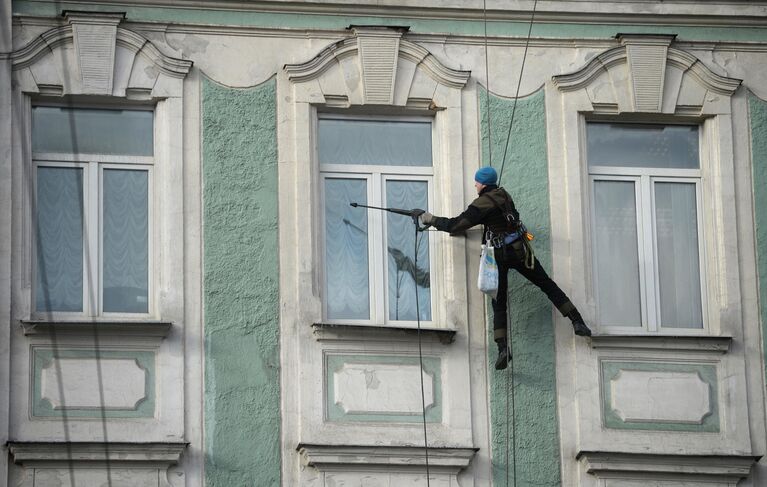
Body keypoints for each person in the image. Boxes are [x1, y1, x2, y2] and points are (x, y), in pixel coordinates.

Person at [419, 166, 591, 370]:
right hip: (521, 251)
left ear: (482, 183)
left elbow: (456, 225)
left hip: (498, 257)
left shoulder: (481, 203)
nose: (474, 185)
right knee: (547, 284)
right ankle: (577, 321)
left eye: (476, 181)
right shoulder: (505, 195)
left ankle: (502, 349)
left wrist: (429, 219)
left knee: (499, 302)